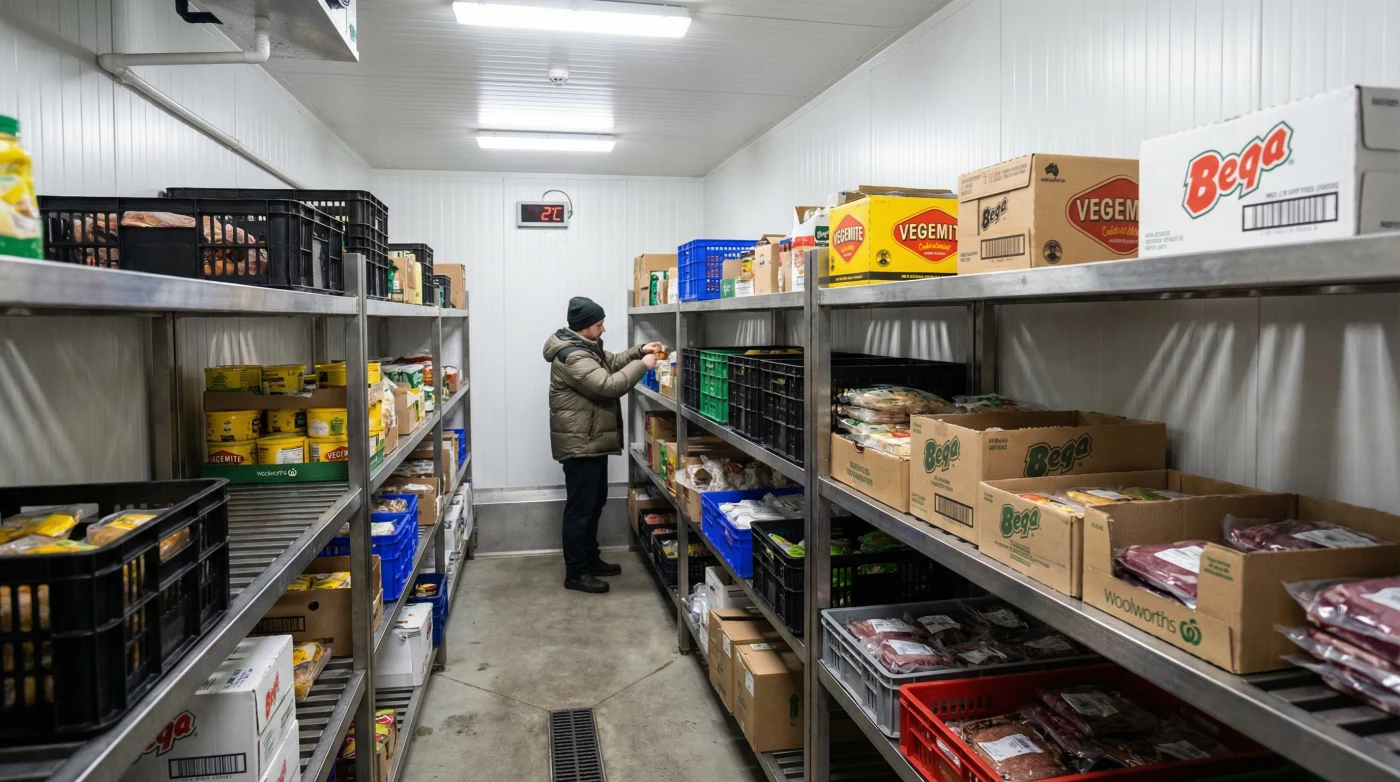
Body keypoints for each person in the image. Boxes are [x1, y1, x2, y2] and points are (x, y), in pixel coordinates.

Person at [543, 296, 663, 594]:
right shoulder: (572, 356)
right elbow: (609, 385)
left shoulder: (585, 347)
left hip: (592, 439)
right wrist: (643, 365)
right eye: (599, 324)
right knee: (581, 509)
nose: (604, 328)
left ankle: (590, 559)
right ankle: (576, 573)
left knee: (594, 503)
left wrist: (638, 351)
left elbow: (610, 362)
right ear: (585, 327)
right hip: (580, 443)